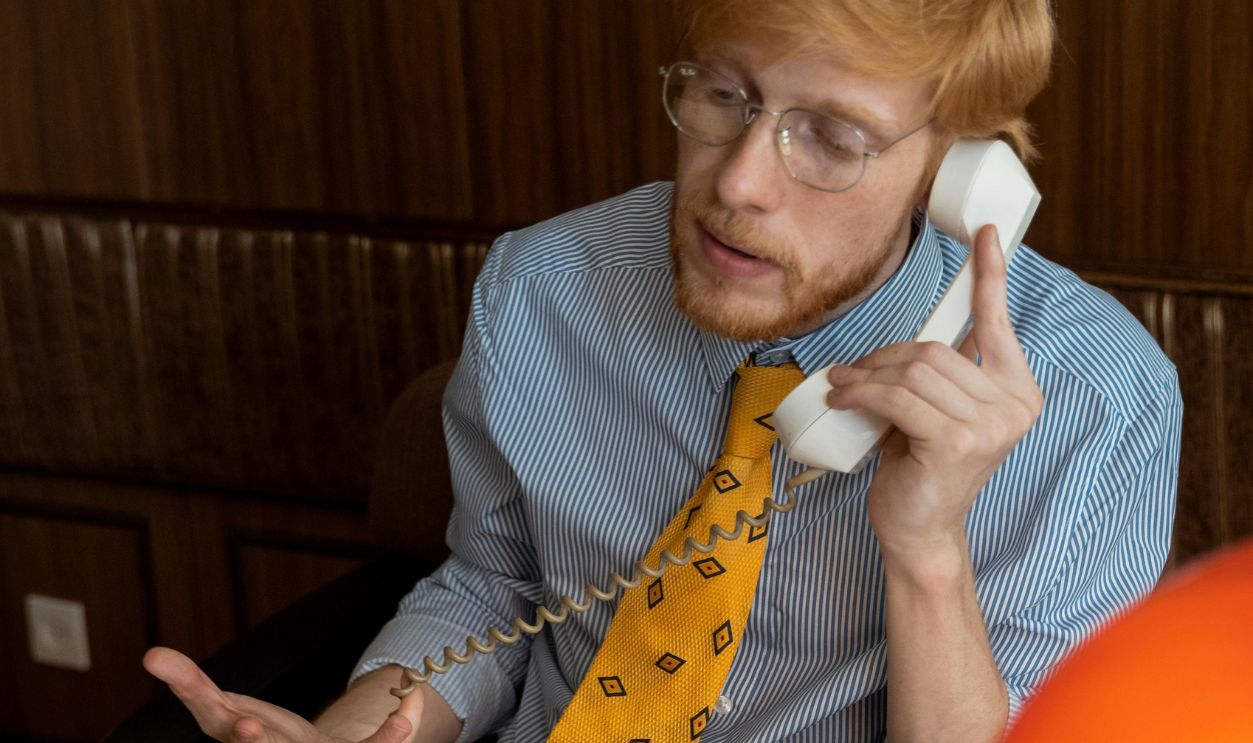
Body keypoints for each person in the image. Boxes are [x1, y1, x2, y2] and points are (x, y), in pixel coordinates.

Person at [144, 0, 1182, 741]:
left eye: (829, 138)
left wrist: (922, 547)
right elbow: (495, 586)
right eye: (725, 94)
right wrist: (362, 727)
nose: (736, 180)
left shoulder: (1096, 399)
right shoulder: (544, 284)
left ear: (958, 171)